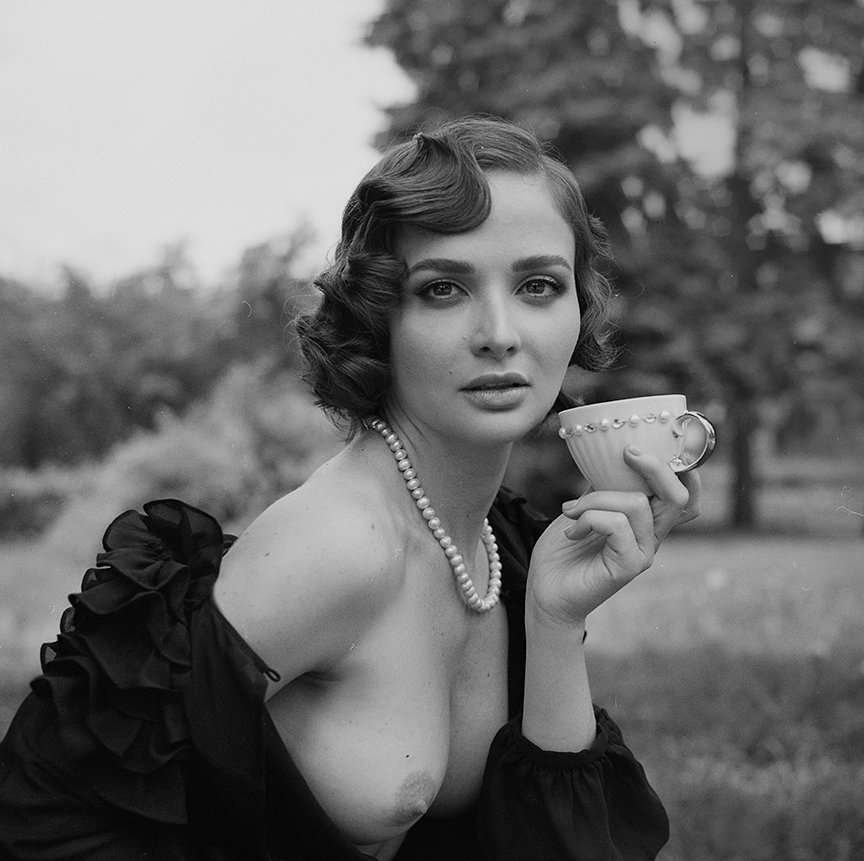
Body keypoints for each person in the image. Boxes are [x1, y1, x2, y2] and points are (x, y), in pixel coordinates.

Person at [0, 116, 699, 860]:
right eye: (443, 289)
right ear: (377, 315)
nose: (499, 332)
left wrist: (555, 621)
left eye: (538, 285)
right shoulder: (338, 547)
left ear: (577, 308)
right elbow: (44, 814)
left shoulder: (500, 546)